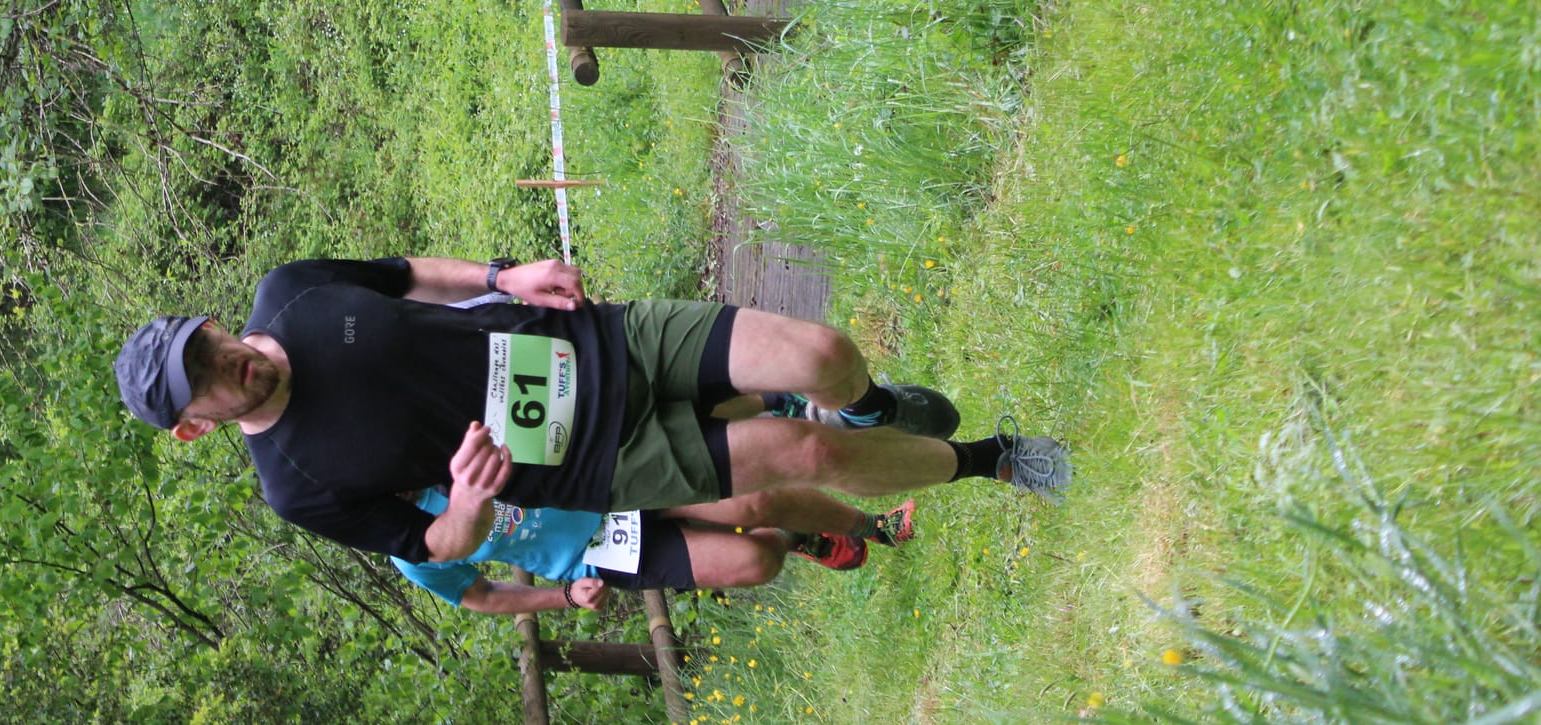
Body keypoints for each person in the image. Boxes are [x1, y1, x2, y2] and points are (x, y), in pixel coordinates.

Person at [115, 256, 1069, 564]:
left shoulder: (292, 290)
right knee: (798, 458)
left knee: (821, 355)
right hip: (592, 459)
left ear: (208, 320)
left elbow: (407, 273)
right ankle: (994, 458)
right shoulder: (296, 484)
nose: (226, 360)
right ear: (193, 423)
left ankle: (871, 408)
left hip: (593, 342)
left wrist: (500, 274)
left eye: (207, 339)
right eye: (202, 376)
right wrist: (466, 506)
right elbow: (427, 544)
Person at [392, 487, 918, 615]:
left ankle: (878, 526)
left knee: (754, 502)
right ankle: (800, 537)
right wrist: (567, 598)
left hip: (609, 485)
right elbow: (482, 596)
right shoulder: (403, 547)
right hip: (598, 553)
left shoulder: (427, 441)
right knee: (757, 560)